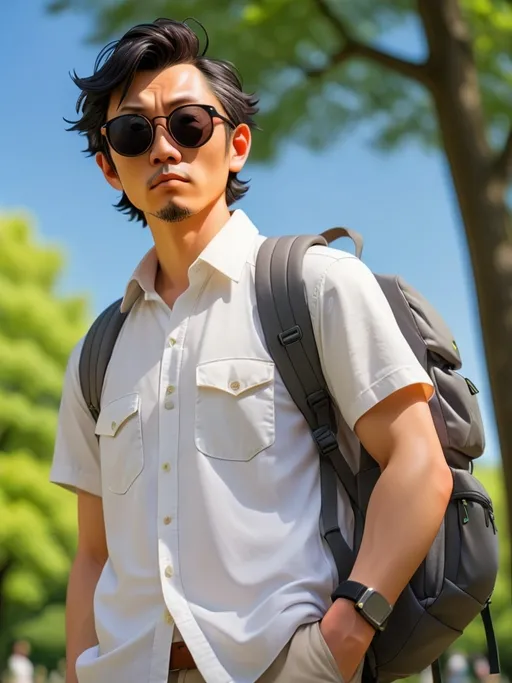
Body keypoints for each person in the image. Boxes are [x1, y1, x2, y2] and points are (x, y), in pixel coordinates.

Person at [50, 17, 453, 683]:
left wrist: (343, 637)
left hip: (286, 665)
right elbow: (93, 553)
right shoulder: (98, 352)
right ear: (108, 167)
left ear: (236, 143)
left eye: (188, 123)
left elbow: (418, 462)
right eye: (132, 132)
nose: (163, 149)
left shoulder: (315, 285)